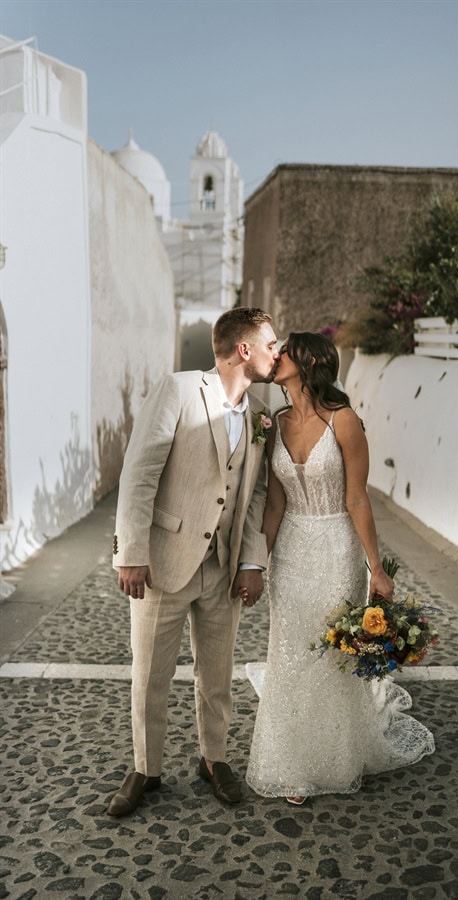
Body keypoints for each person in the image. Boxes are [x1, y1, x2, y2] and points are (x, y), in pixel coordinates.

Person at [245, 332, 435, 805]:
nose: (277, 355)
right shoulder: (276, 424)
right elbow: (274, 503)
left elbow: (356, 498)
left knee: (329, 653)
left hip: (336, 549)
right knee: (290, 647)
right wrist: (254, 563)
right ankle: (294, 762)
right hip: (290, 550)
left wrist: (377, 569)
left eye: (284, 350)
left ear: (308, 362)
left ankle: (334, 754)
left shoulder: (345, 422)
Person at [107, 308, 279, 817]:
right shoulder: (179, 391)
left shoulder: (261, 414)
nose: (278, 350)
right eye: (270, 342)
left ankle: (215, 759)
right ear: (243, 349)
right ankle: (144, 768)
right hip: (163, 561)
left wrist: (252, 561)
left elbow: (255, 495)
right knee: (150, 675)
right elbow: (138, 474)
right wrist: (131, 553)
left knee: (217, 674)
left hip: (223, 568)